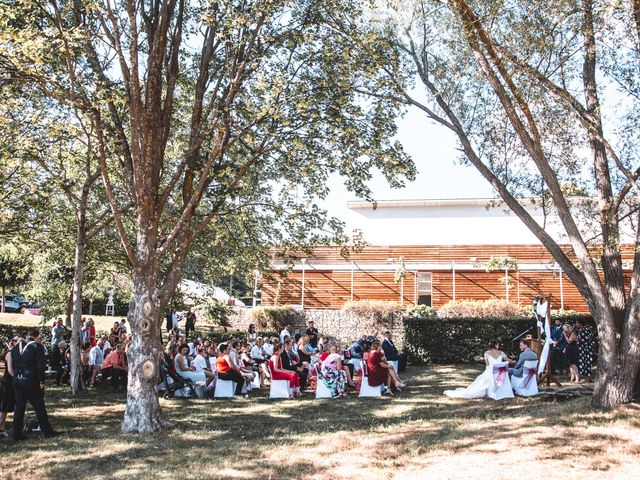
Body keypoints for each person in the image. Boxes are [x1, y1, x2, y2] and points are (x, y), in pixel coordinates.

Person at [11, 329, 60, 440]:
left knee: (19, 408)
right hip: (31, 380)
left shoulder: (15, 348)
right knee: (39, 407)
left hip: (18, 379)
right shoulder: (38, 347)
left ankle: (16, 433)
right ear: (36, 337)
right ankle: (47, 431)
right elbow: (41, 366)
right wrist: (41, 381)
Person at [444, 340, 510, 399]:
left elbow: (487, 364)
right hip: (499, 371)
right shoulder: (501, 353)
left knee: (484, 380)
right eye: (497, 344)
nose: (498, 346)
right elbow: (507, 360)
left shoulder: (486, 353)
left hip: (490, 370)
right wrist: (513, 361)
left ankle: (488, 392)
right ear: (495, 345)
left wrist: (489, 370)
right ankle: (494, 392)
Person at [0, 338, 17, 438]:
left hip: (10, 383)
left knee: (6, 408)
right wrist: (19, 378)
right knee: (3, 407)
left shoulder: (14, 354)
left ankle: (2, 429)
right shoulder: (10, 354)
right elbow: (10, 371)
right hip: (7, 383)